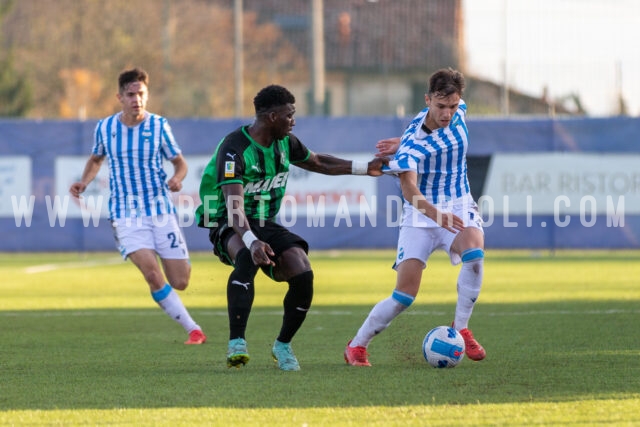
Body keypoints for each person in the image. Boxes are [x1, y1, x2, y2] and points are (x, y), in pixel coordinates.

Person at [195, 84, 386, 371]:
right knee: (247, 255)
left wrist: (363, 168)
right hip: (226, 219)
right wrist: (251, 240)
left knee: (303, 271)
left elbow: (319, 161)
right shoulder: (234, 149)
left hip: (265, 222)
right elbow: (234, 207)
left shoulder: (286, 142)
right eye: (289, 115)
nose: (293, 121)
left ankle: (282, 345)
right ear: (272, 117)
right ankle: (237, 343)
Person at [344, 68, 486, 366]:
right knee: (404, 296)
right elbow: (409, 189)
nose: (447, 113)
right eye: (440, 106)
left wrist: (398, 139)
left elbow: (444, 118)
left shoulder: (459, 111)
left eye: (452, 106)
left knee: (474, 251)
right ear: (428, 100)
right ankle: (357, 345)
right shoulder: (411, 147)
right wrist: (437, 215)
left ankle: (461, 327)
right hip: (421, 213)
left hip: (458, 203)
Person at [69, 67, 206, 345]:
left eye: (141, 93)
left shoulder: (158, 126)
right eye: (131, 94)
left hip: (159, 210)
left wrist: (177, 179)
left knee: (180, 281)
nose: (136, 99)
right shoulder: (106, 127)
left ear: (147, 94)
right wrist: (83, 182)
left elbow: (179, 162)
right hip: (125, 213)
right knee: (152, 274)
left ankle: (177, 280)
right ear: (119, 97)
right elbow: (96, 159)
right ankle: (194, 329)